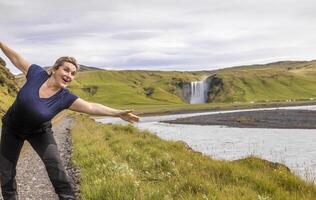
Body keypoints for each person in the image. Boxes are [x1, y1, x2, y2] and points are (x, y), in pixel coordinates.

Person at [0, 41, 140, 200]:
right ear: (54, 69)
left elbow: (92, 107)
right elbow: (16, 58)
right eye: (66, 70)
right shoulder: (36, 74)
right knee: (6, 172)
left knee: (56, 168)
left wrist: (118, 113)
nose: (69, 75)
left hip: (39, 132)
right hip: (11, 129)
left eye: (73, 73)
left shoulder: (65, 97)